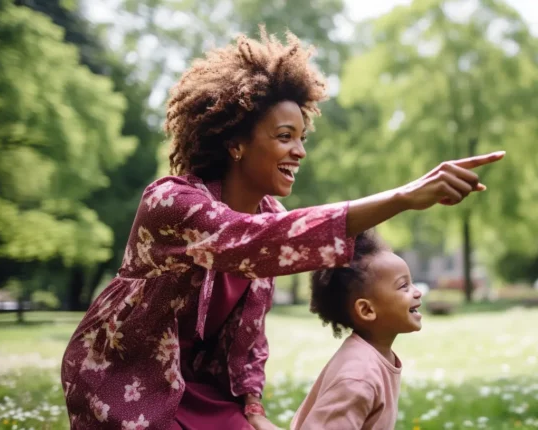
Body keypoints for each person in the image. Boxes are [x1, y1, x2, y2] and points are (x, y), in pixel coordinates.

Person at [60, 27, 504, 430]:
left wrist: (252, 410)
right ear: (235, 143)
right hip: (131, 385)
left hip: (206, 396)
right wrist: (403, 197)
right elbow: (255, 244)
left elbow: (249, 340)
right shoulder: (172, 202)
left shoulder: (268, 215)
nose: (300, 151)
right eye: (285, 136)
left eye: (302, 137)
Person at [290, 230, 421, 430]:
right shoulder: (359, 377)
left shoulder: (374, 358)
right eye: (404, 286)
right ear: (367, 310)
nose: (417, 292)